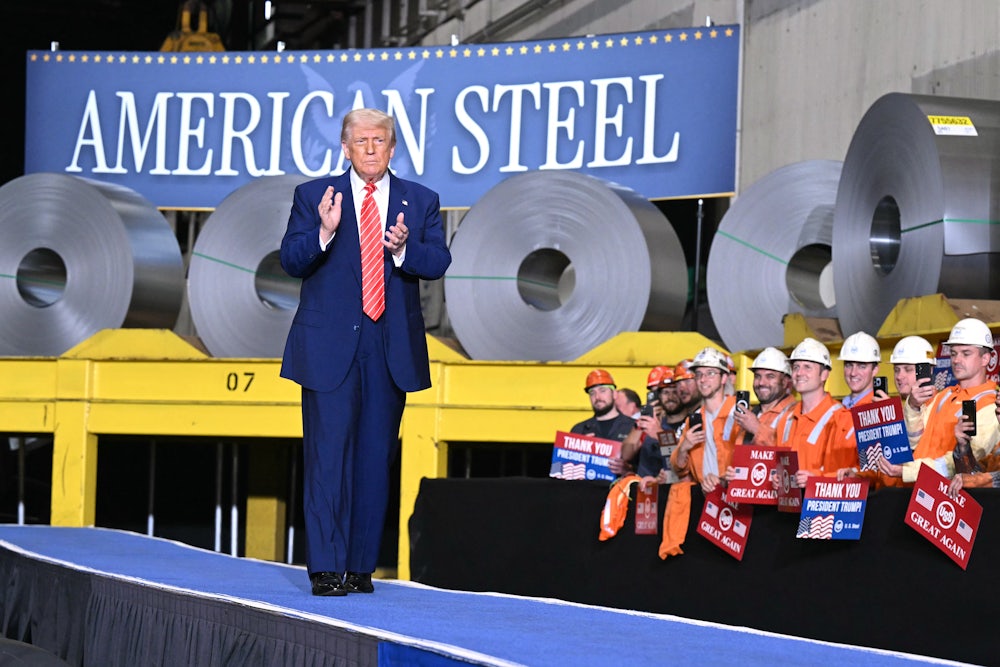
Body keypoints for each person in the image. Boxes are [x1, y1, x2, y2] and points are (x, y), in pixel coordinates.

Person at [280, 108, 452, 597]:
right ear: (345, 147)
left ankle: (359, 566)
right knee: (327, 458)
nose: (371, 148)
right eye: (361, 141)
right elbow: (291, 260)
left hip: (388, 346)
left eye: (380, 140)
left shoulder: (421, 201)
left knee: (375, 460)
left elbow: (438, 260)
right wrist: (324, 233)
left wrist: (403, 250)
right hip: (329, 346)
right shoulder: (315, 197)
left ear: (392, 148)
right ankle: (325, 567)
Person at [879, 318, 998, 485]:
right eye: (954, 353)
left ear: (985, 359)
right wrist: (913, 407)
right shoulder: (945, 395)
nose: (956, 360)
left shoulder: (991, 404)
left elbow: (963, 463)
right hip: (919, 491)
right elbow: (915, 441)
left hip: (949, 498)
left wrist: (907, 471)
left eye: (966, 353)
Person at [772, 338, 856, 487]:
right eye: (796, 367)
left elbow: (847, 474)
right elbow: (779, 464)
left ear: (824, 374)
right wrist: (776, 477)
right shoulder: (786, 419)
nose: (799, 373)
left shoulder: (841, 418)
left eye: (807, 367)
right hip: (789, 506)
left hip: (822, 506)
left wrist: (815, 479)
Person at [670, 347, 746, 494]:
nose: (703, 380)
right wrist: (684, 447)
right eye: (698, 374)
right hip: (704, 499)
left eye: (710, 373)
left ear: (724, 378)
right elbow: (679, 470)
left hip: (735, 498)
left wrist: (722, 479)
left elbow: (752, 460)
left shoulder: (739, 412)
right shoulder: (694, 419)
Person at [732, 346, 795, 445]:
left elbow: (792, 454)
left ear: (785, 381)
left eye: (770, 376)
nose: (761, 382)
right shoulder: (750, 415)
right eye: (757, 376)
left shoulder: (794, 414)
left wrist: (757, 429)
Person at [570, 369, 636, 442]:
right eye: (592, 393)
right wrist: (580, 448)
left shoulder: (634, 428)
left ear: (614, 394)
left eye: (602, 391)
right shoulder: (579, 431)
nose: (597, 397)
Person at [888, 335, 935, 403]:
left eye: (908, 370)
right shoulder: (901, 406)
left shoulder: (939, 405)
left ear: (928, 370)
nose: (899, 377)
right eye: (896, 370)